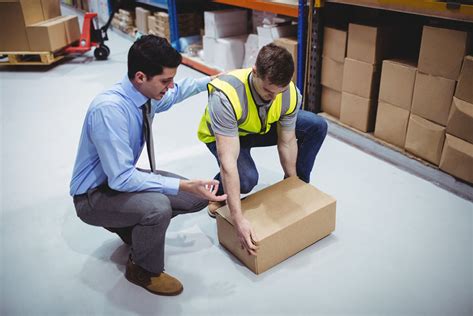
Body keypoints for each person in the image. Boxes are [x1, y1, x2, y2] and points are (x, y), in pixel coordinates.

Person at [70, 35, 226, 296]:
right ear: (141, 77)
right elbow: (121, 179)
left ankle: (131, 228)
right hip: (93, 196)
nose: (170, 86)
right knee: (158, 206)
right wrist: (182, 184)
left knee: (194, 199)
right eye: (165, 81)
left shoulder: (145, 95)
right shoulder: (110, 110)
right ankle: (143, 269)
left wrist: (212, 82)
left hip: (115, 181)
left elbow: (177, 94)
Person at [197, 43, 328, 256]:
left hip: (259, 126)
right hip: (225, 135)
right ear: (255, 72)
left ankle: (299, 186)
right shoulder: (226, 94)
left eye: (280, 91)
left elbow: (287, 140)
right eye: (268, 90)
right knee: (246, 179)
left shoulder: (289, 94)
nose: (274, 97)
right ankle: (218, 193)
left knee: (316, 126)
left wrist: (291, 184)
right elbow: (228, 160)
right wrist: (237, 218)